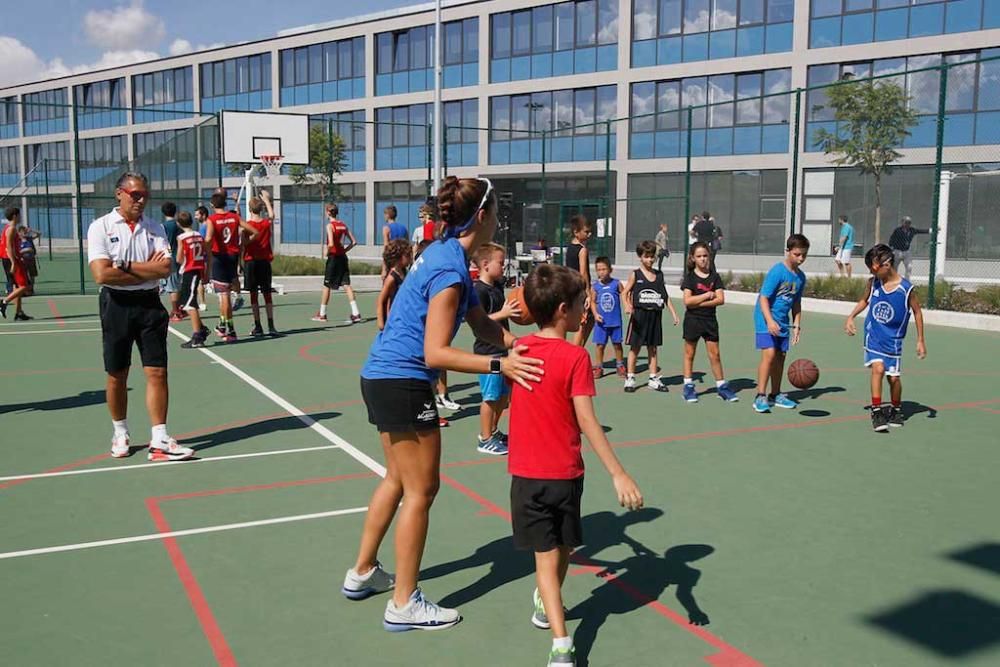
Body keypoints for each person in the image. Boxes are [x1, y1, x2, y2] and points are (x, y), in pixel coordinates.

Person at [345, 176, 542, 632]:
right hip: (405, 381)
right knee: (421, 490)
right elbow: (437, 353)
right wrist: (501, 369)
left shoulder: (445, 254)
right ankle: (404, 603)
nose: (500, 218)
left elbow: (479, 322)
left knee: (397, 478)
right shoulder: (450, 270)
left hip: (381, 375)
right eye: (497, 210)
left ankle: (363, 572)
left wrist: (516, 345)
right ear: (483, 216)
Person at [507, 263, 643, 667]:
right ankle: (562, 642)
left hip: (558, 473)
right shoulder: (570, 357)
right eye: (582, 303)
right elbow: (586, 419)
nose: (586, 308)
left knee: (562, 549)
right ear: (564, 309)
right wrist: (618, 472)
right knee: (548, 558)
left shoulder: (521, 351)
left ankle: (542, 602)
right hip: (540, 472)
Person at [85, 172, 194, 462]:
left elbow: (165, 269)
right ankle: (120, 432)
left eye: (144, 195)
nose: (141, 200)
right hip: (115, 305)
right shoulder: (100, 227)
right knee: (116, 374)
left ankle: (159, 439)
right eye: (135, 195)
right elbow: (101, 274)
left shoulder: (155, 227)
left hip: (149, 304)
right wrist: (144, 268)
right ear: (119, 193)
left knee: (157, 371)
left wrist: (124, 266)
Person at [845, 244, 927, 432]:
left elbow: (917, 312)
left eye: (874, 268)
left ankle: (896, 409)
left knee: (894, 379)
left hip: (894, 341)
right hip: (873, 336)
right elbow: (864, 300)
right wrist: (851, 316)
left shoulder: (906, 289)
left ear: (887, 264)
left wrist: (920, 340)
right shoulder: (873, 282)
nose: (872, 273)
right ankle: (876, 411)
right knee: (878, 368)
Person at [473, 242, 522, 456]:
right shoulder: (479, 291)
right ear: (485, 264)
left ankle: (492, 430)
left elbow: (503, 315)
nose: (504, 267)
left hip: (501, 349)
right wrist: (502, 314)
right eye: (500, 263)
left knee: (504, 396)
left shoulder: (497, 287)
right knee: (490, 397)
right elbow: (478, 322)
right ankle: (484, 439)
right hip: (487, 352)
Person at [752, 234, 810, 414]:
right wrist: (769, 321)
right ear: (788, 252)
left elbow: (796, 303)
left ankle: (775, 394)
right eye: (797, 254)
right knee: (769, 354)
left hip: (783, 321)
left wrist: (797, 325)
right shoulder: (777, 271)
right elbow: (763, 298)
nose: (800, 259)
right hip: (764, 317)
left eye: (804, 255)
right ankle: (760, 396)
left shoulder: (800, 277)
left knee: (780, 357)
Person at [680, 242, 737, 403]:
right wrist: (706, 296)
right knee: (689, 354)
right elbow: (687, 301)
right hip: (692, 320)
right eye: (699, 256)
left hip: (710, 321)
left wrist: (699, 302)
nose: (703, 259)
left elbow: (720, 300)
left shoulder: (714, 277)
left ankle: (721, 386)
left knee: (715, 355)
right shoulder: (690, 278)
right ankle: (688, 387)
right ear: (693, 258)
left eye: (705, 255)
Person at [622, 240, 679, 393]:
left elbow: (665, 296)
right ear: (640, 257)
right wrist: (627, 305)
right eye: (646, 256)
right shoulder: (635, 274)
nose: (650, 260)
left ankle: (653, 378)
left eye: (652, 256)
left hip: (655, 315)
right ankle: (630, 378)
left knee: (652, 348)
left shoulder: (659, 275)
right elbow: (624, 292)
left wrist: (673, 313)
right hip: (639, 316)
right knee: (635, 348)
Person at [204, 192, 255, 342]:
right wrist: (243, 244)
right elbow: (255, 231)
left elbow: (208, 239)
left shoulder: (212, 220)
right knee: (226, 293)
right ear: (225, 204)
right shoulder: (235, 217)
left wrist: (203, 250)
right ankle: (222, 326)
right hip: (232, 257)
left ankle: (231, 330)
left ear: (212, 205)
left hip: (219, 258)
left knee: (224, 295)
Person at [312, 203, 362, 324]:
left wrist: (326, 252)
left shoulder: (330, 226)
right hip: (342, 258)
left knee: (327, 285)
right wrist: (344, 250)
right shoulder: (343, 225)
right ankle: (356, 313)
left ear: (328, 212)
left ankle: (322, 314)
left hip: (333, 258)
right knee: (346, 284)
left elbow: (330, 244)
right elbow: (354, 242)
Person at [243, 191, 279, 337]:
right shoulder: (265, 223)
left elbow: (244, 243)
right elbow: (272, 216)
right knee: (267, 294)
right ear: (261, 209)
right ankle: (271, 325)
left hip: (251, 262)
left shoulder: (247, 225)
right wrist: (266, 201)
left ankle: (258, 326)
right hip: (264, 262)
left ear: (250, 210)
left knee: (253, 295)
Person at [175, 211, 209, 349]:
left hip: (190, 269)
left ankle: (197, 336)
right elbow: (205, 252)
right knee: (185, 301)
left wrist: (183, 260)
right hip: (198, 268)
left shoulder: (181, 237)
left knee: (190, 304)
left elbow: (178, 258)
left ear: (179, 223)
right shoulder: (199, 235)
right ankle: (201, 328)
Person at [590, 255, 626, 379]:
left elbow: (624, 294)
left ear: (610, 270)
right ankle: (599, 367)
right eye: (599, 270)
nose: (601, 272)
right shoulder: (595, 286)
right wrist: (595, 314)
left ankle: (620, 365)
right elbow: (593, 302)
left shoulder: (616, 284)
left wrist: (628, 305)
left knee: (617, 344)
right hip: (601, 323)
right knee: (600, 345)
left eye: (604, 269)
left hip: (615, 322)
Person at [564, 215, 594, 347]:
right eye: (586, 231)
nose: (589, 234)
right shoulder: (582, 250)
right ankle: (576, 351)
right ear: (576, 232)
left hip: (571, 288)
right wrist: (587, 293)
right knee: (584, 321)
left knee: (587, 320)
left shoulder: (569, 248)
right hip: (580, 291)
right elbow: (583, 273)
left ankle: (578, 349)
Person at [0, 211, 34, 320]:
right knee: (25, 286)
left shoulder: (8, 227)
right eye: (19, 215)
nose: (20, 217)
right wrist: (14, 262)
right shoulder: (11, 229)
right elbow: (9, 247)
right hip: (12, 259)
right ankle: (4, 302)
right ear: (15, 216)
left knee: (17, 287)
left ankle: (19, 312)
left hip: (9, 259)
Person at [376, 239, 412, 331]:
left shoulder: (404, 272)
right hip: (394, 318)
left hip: (403, 314)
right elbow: (380, 300)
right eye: (407, 255)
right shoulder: (391, 278)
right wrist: (382, 324)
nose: (410, 258)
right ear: (398, 257)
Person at [161, 202, 184, 322]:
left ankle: (176, 312)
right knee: (176, 285)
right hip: (179, 258)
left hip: (170, 259)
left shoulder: (162, 227)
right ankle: (178, 309)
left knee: (173, 288)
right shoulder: (179, 225)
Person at [888, 216, 928, 280]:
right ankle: (893, 280)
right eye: (906, 222)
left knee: (909, 267)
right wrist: (891, 248)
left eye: (909, 223)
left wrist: (932, 230)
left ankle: (907, 281)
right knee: (894, 268)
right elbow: (892, 239)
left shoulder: (912, 230)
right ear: (902, 223)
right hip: (897, 251)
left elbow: (921, 231)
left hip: (906, 252)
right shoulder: (898, 230)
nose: (907, 224)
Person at [193, 206, 210, 311]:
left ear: (203, 215)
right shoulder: (205, 225)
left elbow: (204, 242)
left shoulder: (205, 226)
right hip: (206, 256)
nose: (195, 217)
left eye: (197, 215)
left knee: (200, 280)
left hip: (205, 257)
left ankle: (202, 303)